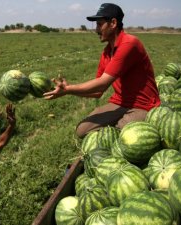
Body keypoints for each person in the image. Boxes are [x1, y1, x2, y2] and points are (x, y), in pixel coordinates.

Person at [44, 3, 160, 138]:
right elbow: (98, 92)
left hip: (142, 105)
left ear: (113, 23)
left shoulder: (129, 44)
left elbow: (103, 83)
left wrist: (68, 89)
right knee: (82, 130)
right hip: (119, 103)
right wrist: (68, 91)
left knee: (122, 136)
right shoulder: (106, 53)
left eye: (100, 25)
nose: (96, 30)